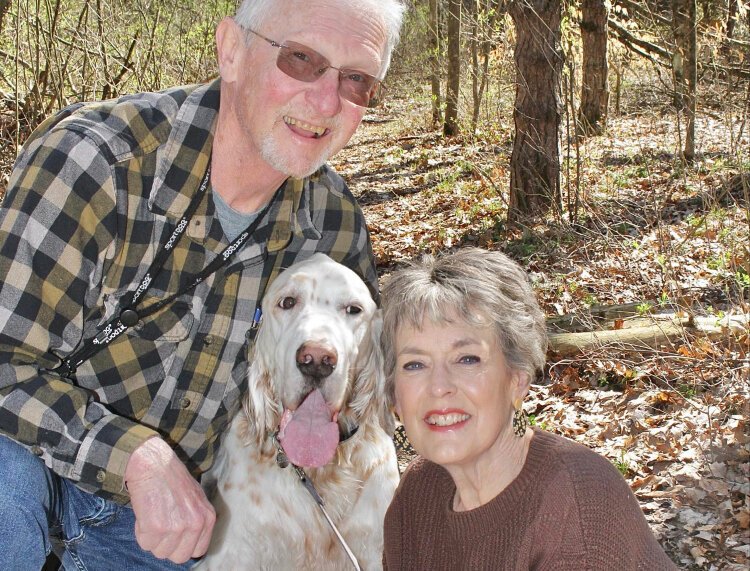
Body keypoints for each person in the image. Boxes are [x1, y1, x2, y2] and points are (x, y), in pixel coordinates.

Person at [0, 0, 406, 568]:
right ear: (232, 52)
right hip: (25, 455)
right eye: (301, 59)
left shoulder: (332, 225)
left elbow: (366, 381)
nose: (326, 100)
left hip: (166, 520)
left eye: (357, 80)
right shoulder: (96, 162)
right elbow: (4, 361)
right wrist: (135, 457)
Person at [380, 248, 678, 570]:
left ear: (517, 379)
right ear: (395, 394)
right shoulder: (417, 493)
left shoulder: (576, 508)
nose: (439, 386)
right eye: (414, 364)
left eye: (467, 359)